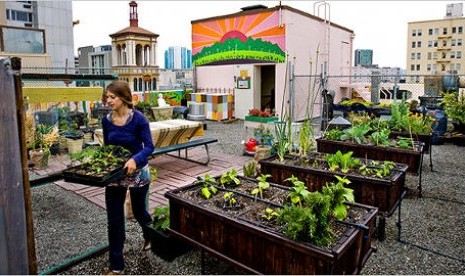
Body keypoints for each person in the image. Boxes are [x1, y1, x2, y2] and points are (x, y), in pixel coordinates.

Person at [101, 80, 155, 275]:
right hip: (116, 174)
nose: (108, 100)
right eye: (107, 96)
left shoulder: (139, 119)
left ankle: (150, 236)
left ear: (124, 98)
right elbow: (108, 146)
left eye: (112, 97)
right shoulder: (106, 120)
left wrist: (135, 159)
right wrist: (103, 161)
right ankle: (117, 266)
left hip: (138, 171)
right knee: (114, 219)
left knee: (140, 211)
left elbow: (149, 147)